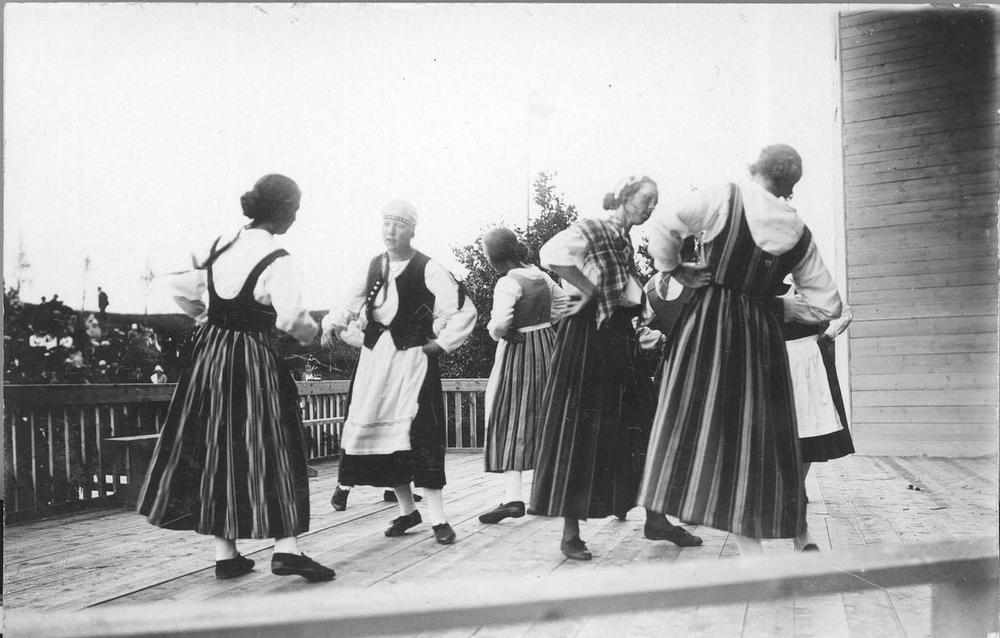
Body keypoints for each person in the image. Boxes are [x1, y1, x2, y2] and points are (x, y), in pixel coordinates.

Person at [638, 144, 842, 557]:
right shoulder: (797, 230)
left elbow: (662, 226)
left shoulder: (724, 196)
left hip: (709, 326)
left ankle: (726, 535)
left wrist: (674, 268)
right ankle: (783, 538)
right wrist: (779, 305)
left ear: (756, 168)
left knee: (700, 426)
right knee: (759, 434)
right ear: (790, 186)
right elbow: (828, 306)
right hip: (760, 333)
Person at [137, 174, 335, 582]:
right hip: (253, 357)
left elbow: (181, 288)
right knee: (273, 443)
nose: (296, 218)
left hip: (210, 357)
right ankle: (286, 549)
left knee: (218, 445)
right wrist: (311, 333)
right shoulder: (280, 259)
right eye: (295, 210)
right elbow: (292, 319)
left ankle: (225, 555)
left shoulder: (219, 245)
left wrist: (207, 318)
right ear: (283, 211)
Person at [529, 175, 701, 562]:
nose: (650, 207)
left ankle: (656, 519)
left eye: (655, 201)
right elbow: (550, 252)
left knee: (646, 422)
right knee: (581, 429)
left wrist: (639, 321)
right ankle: (570, 534)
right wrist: (587, 288)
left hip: (618, 338)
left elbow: (627, 292)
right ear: (625, 196)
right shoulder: (595, 228)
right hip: (586, 339)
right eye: (645, 198)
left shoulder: (622, 241)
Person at [321, 200, 476, 545]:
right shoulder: (374, 266)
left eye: (400, 223)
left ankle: (438, 519)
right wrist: (332, 322)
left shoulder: (428, 268)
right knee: (384, 441)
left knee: (420, 435)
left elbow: (464, 309)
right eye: (387, 222)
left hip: (413, 364)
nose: (391, 230)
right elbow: (347, 303)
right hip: (376, 365)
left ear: (412, 229)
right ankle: (408, 511)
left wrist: (442, 344)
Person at [477, 228, 568, 525]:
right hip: (547, 348)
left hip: (519, 351)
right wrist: (544, 325)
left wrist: (499, 333)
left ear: (494, 257)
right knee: (544, 417)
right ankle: (545, 496)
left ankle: (513, 497)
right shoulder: (540, 276)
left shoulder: (507, 282)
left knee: (511, 416)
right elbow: (563, 306)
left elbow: (499, 324)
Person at [780, 285, 855, 499]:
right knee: (782, 429)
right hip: (777, 359)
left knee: (809, 427)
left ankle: (798, 487)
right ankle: (787, 486)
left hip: (809, 362)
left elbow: (844, 312)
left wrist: (828, 335)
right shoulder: (766, 289)